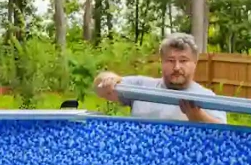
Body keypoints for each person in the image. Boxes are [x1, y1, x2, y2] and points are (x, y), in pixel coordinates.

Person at [93, 33, 227, 124]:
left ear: (195, 63)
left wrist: (197, 116)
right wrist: (109, 79)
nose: (176, 67)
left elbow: (225, 137)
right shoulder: (141, 87)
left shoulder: (206, 97)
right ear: (162, 62)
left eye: (183, 61)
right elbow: (98, 88)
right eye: (170, 60)